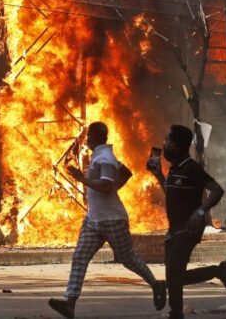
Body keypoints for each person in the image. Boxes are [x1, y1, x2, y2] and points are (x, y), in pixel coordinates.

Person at [48, 122, 166, 319]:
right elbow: (126, 173)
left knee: (128, 259)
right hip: (94, 219)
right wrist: (113, 189)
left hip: (113, 220)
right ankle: (70, 303)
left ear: (94, 137)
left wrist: (81, 178)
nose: (86, 140)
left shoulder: (105, 158)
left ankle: (156, 284)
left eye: (88, 136)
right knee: (79, 257)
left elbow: (104, 186)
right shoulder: (101, 156)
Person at [147, 125, 226, 319]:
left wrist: (200, 211)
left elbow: (217, 190)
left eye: (168, 141)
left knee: (174, 274)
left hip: (189, 228)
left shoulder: (192, 168)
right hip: (174, 228)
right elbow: (172, 193)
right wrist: (159, 176)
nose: (164, 144)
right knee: (174, 276)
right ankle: (220, 271)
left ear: (177, 146)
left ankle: (177, 312)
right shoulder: (174, 169)